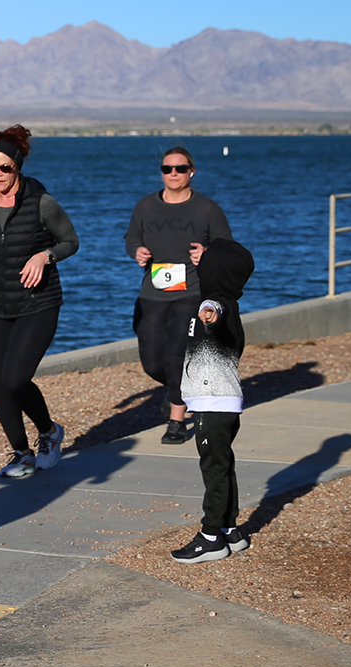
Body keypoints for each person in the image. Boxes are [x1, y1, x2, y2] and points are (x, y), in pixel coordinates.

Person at [0, 125, 79, 478]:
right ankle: (21, 453)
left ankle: (49, 432)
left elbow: (70, 242)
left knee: (15, 379)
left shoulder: (42, 203)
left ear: (17, 166)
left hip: (38, 303)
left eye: (5, 168)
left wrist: (44, 256)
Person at [124, 146, 233, 444]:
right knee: (152, 361)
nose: (173, 174)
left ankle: (176, 419)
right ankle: (179, 389)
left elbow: (229, 248)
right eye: (167, 169)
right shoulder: (146, 206)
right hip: (153, 292)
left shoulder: (207, 209)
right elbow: (132, 235)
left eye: (180, 169)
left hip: (192, 292)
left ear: (191, 172)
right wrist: (137, 250)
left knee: (175, 353)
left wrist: (209, 253)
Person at [170, 238, 255, 563]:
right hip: (221, 402)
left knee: (214, 468)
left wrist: (208, 313)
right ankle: (229, 530)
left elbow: (214, 311)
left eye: (205, 261)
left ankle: (210, 537)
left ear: (215, 270)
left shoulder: (217, 304)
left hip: (213, 403)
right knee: (224, 464)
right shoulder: (229, 304)